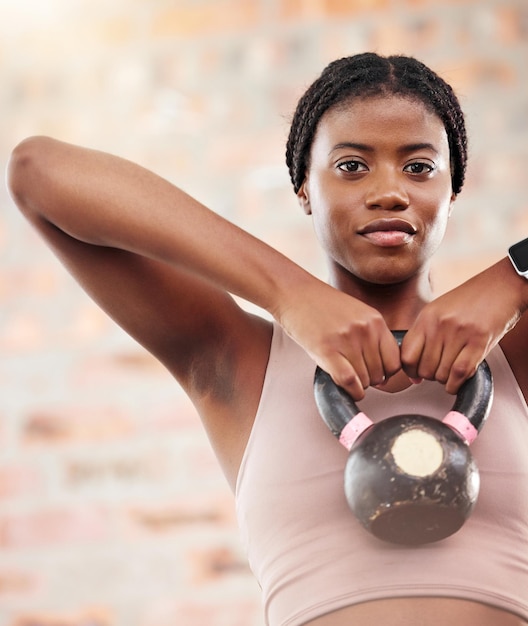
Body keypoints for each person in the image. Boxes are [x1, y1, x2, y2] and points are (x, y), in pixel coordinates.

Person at [6, 53, 528, 626]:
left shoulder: (513, 359)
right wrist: (288, 294)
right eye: (352, 166)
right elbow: (38, 171)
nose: (389, 193)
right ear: (304, 188)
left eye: (420, 167)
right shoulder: (238, 360)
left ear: (454, 189)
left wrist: (513, 276)